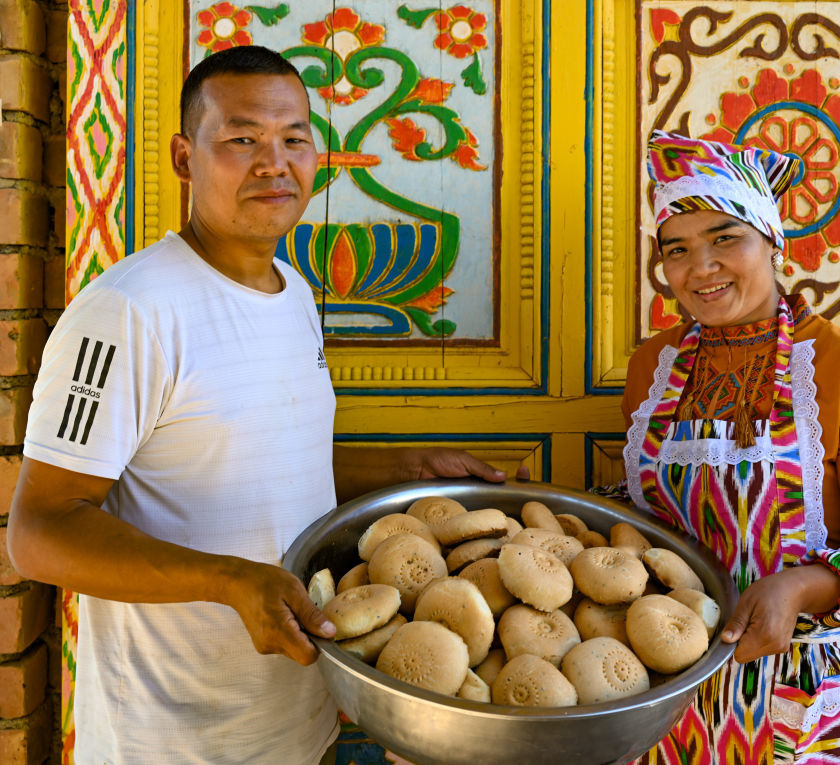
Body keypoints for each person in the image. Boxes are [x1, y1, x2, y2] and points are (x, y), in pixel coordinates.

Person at [6, 46, 522, 765]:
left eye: (294, 140)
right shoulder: (128, 311)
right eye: (242, 138)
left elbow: (263, 465)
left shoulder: (294, 292)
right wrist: (229, 579)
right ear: (186, 158)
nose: (273, 162)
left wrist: (407, 467)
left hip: (295, 719)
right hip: (171, 737)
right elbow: (39, 531)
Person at [620, 132, 840, 763]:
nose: (701, 268)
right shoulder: (653, 366)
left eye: (725, 238)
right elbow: (651, 518)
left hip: (806, 693)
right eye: (677, 250)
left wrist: (800, 587)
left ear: (772, 240)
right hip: (668, 689)